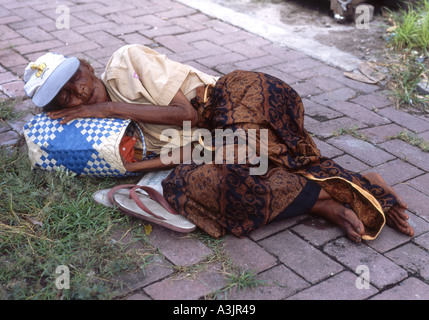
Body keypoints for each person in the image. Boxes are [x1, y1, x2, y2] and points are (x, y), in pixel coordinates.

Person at [23, 44, 414, 243]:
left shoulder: (126, 62)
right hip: (225, 145)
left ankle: (336, 185)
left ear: (86, 66)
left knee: (246, 129)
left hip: (236, 99)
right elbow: (187, 152)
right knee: (198, 182)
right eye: (63, 98)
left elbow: (188, 116)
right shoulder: (110, 134)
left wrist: (107, 107)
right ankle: (322, 197)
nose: (77, 93)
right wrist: (130, 166)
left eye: (74, 78)